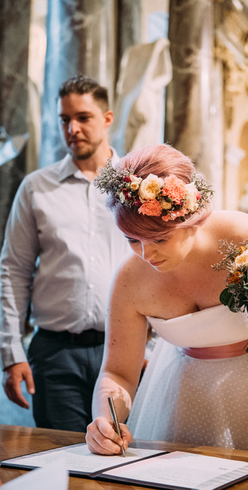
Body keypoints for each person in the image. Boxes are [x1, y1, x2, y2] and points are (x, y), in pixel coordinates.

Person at [85, 143, 248, 459]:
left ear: (194, 219)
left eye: (160, 239)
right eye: (132, 240)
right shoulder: (129, 280)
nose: (146, 254)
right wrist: (106, 418)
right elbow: (118, 373)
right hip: (182, 399)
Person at [0, 75, 130, 431]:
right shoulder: (36, 188)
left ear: (107, 118)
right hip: (55, 356)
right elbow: (13, 271)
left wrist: (152, 350)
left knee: (127, 465)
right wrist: (11, 353)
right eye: (64, 120)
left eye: (83, 117)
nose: (72, 128)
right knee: (64, 468)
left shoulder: (137, 187)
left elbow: (160, 267)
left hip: (126, 351)